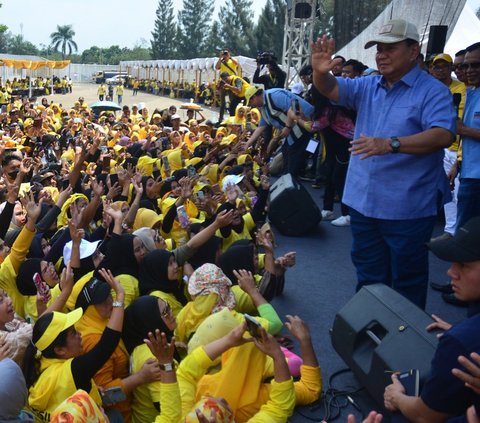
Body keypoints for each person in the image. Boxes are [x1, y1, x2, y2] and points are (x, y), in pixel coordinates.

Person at [311, 19, 456, 309]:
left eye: (391, 48)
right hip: (364, 204)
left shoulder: (433, 91)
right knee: (369, 277)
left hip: (407, 209)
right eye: (379, 49)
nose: (381, 55)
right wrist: (319, 71)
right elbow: (331, 88)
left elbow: (443, 134)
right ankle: (369, 337)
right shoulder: (368, 84)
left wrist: (390, 143)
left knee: (406, 282)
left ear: (414, 51)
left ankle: (401, 348)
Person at [383, 216, 480, 422]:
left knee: (398, 415)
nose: (451, 272)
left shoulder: (460, 342)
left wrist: (398, 397)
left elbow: (424, 415)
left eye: (463, 265)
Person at [24, 268, 126, 422]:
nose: (79, 334)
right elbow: (106, 345)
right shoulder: (71, 371)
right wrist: (119, 297)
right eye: (73, 333)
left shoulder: (40, 356)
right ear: (59, 350)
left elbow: (40, 327)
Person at [429, 53, 466, 239]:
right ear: (431, 69)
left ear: (451, 69)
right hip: (440, 148)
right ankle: (450, 231)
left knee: (460, 194)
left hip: (459, 149)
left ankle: (461, 234)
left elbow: (462, 124)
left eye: (445, 66)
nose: (440, 70)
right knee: (447, 192)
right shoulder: (430, 89)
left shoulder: (463, 88)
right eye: (437, 66)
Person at [246, 86, 315, 178]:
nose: (252, 105)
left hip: (304, 122)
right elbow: (261, 126)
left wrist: (287, 127)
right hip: (292, 130)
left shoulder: (274, 96)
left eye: (251, 102)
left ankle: (299, 173)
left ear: (255, 97)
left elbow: (293, 109)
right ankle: (298, 171)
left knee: (294, 158)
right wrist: (248, 143)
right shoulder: (263, 107)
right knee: (288, 156)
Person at [456, 42, 480, 231]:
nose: (469, 70)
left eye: (476, 65)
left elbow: (464, 130)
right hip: (468, 174)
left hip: (476, 180)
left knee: (465, 239)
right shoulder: (471, 92)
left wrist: (464, 130)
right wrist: (458, 164)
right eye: (466, 66)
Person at [216, 48, 242, 122]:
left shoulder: (232, 61)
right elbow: (217, 67)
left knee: (232, 102)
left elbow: (237, 64)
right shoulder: (221, 62)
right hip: (223, 83)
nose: (225, 55)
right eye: (224, 53)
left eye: (226, 53)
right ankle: (221, 118)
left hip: (231, 82)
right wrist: (220, 58)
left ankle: (233, 117)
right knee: (222, 103)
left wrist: (230, 57)